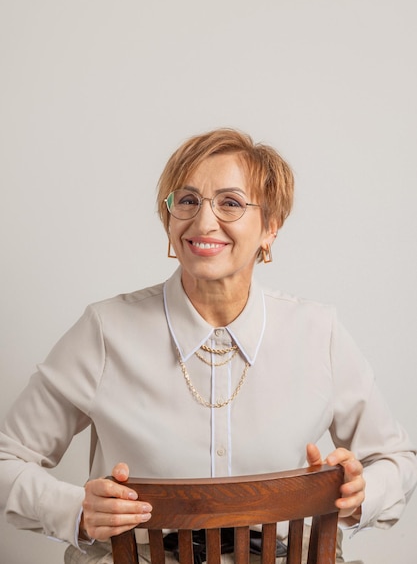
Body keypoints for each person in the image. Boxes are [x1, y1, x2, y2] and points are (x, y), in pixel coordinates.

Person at [0, 128, 416, 564]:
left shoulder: (318, 332)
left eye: (231, 203)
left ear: (270, 228)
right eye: (187, 200)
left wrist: (360, 494)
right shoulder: (105, 331)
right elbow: (9, 458)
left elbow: (396, 460)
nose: (203, 222)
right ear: (169, 219)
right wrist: (78, 512)